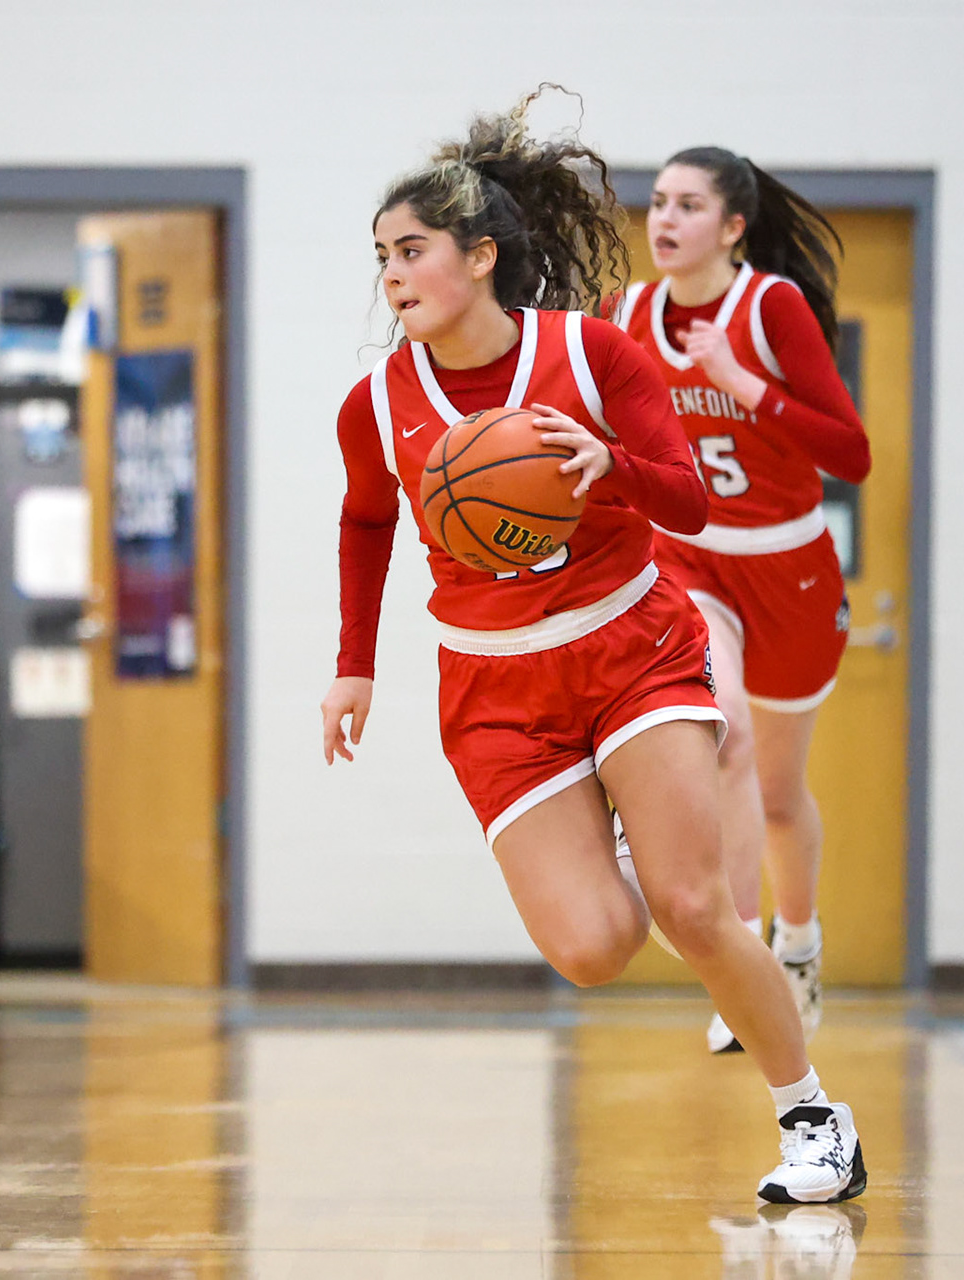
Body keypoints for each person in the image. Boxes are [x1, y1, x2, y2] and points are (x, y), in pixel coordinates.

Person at [319, 94, 866, 1204]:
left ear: (480, 256)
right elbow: (367, 520)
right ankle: (618, 829)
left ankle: (813, 1115)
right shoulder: (374, 402)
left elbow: (689, 507)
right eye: (381, 255)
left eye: (412, 250)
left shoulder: (594, 352)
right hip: (492, 683)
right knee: (594, 945)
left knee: (696, 905)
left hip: (631, 643)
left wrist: (606, 460)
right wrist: (354, 661)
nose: (393, 274)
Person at [614, 149, 871, 1054]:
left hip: (789, 566)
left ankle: (798, 941)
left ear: (731, 228)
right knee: (722, 723)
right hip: (690, 563)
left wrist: (745, 385)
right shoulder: (631, 315)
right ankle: (743, 959)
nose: (665, 219)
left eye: (688, 205)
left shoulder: (772, 309)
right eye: (656, 203)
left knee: (777, 792)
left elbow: (852, 453)